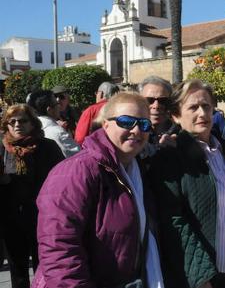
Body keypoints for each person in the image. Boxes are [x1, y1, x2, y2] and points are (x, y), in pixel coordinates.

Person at [34, 92, 164, 288]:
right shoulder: (77, 170)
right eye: (126, 121)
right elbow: (58, 247)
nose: (136, 130)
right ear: (105, 124)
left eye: (144, 124)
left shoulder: (136, 171)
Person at [148, 80, 225, 288]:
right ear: (176, 115)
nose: (202, 113)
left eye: (206, 106)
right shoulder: (170, 159)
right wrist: (201, 276)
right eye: (193, 107)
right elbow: (174, 222)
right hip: (204, 277)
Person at [0, 104, 64, 288]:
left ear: (33, 123)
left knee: (44, 267)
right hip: (10, 216)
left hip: (43, 217)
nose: (17, 125)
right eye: (12, 121)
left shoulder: (47, 147)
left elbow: (60, 180)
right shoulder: (3, 147)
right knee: (17, 269)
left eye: (22, 120)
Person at [28, 90, 81, 158]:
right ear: (49, 110)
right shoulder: (58, 132)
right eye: (56, 104)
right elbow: (79, 156)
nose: (59, 106)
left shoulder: (32, 130)